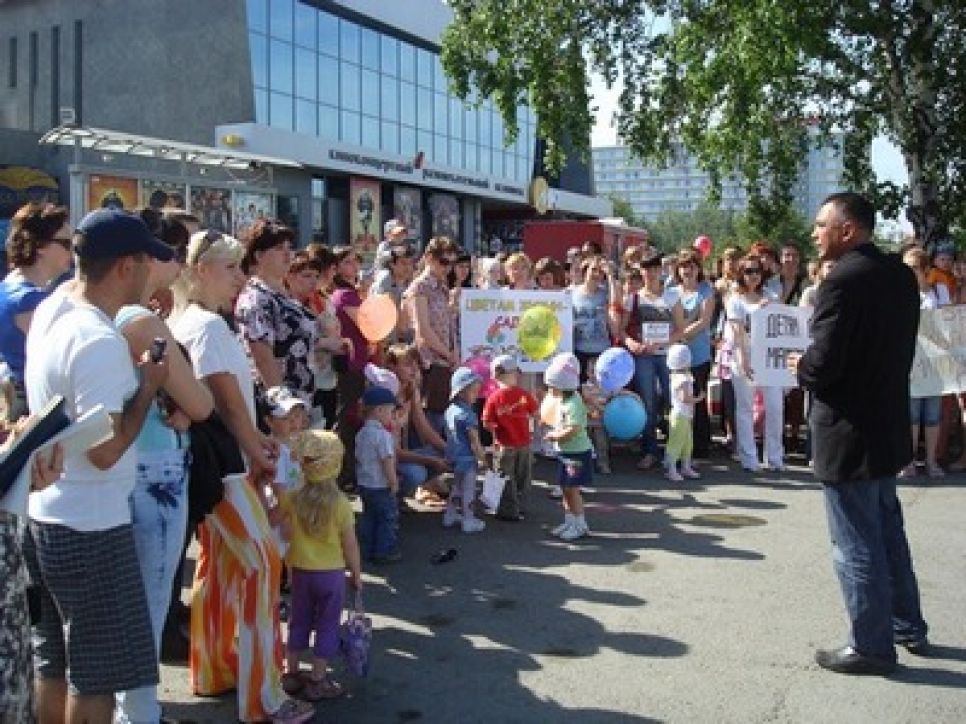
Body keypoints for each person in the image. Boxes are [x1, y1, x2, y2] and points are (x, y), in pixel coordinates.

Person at [22, 209, 173, 724]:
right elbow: (106, 451)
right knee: (98, 676)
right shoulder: (100, 340)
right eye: (149, 261)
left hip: (46, 513)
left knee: (55, 661)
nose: (154, 272)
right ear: (127, 267)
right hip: (91, 523)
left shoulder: (52, 311)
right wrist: (149, 386)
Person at [170, 230, 313, 723]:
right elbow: (229, 408)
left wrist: (256, 443)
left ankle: (211, 670)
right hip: (229, 468)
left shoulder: (190, 320)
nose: (240, 278)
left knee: (218, 569)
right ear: (200, 270)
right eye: (230, 268)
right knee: (261, 568)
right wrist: (262, 453)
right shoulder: (207, 327)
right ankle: (262, 697)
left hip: (216, 466)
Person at [792, 192, 928, 675]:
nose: (815, 233)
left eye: (822, 225)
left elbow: (825, 363)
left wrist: (801, 365)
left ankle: (871, 645)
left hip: (849, 432)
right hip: (886, 423)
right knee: (888, 531)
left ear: (847, 230)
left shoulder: (841, 282)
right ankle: (906, 624)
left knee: (855, 543)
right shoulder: (899, 274)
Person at [114, 214, 215, 724]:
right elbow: (198, 403)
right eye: (166, 253)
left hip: (121, 467)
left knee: (120, 608)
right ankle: (139, 713)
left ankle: (129, 709)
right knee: (149, 602)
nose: (173, 262)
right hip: (152, 467)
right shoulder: (141, 319)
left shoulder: (71, 311)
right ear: (136, 263)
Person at [278, 429, 361, 702]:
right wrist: (356, 573)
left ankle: (290, 673)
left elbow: (272, 518)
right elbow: (350, 544)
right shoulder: (340, 504)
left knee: (298, 620)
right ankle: (318, 678)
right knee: (327, 625)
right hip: (331, 574)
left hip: (301, 572)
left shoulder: (293, 497)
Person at [0, 203, 73, 422]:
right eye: (66, 244)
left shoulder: (8, 287)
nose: (72, 251)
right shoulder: (30, 301)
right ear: (40, 245)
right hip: (30, 405)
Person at [236, 220, 318, 406]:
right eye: (279, 248)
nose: (288, 254)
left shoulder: (281, 294)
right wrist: (284, 408)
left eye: (290, 247)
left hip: (300, 397)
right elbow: (263, 358)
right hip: (279, 406)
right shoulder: (257, 298)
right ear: (258, 255)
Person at [726, 254, 784, 472]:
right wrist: (743, 360)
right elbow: (737, 332)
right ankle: (749, 457)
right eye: (748, 271)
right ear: (741, 274)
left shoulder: (771, 295)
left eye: (757, 271)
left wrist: (772, 306)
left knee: (775, 407)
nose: (753, 275)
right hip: (746, 354)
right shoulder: (736, 300)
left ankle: (775, 457)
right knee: (745, 408)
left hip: (770, 356)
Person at [624, 254, 680, 470]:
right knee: (648, 404)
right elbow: (623, 328)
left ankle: (676, 450)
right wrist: (631, 343)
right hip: (644, 356)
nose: (651, 273)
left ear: (661, 271)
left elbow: (681, 328)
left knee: (673, 401)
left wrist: (662, 343)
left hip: (667, 355)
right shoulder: (634, 298)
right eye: (646, 269)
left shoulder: (672, 296)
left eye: (655, 269)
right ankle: (650, 451)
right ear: (642, 272)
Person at [403, 237, 459, 433]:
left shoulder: (442, 287)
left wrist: (454, 353)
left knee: (442, 418)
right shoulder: (420, 287)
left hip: (444, 361)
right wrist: (448, 353)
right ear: (429, 258)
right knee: (430, 419)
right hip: (429, 361)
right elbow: (423, 329)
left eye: (451, 263)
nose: (448, 268)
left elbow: (448, 326)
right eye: (443, 262)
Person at [898, 248, 945, 478]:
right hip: (910, 361)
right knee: (911, 414)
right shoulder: (899, 294)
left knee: (933, 415)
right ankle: (907, 461)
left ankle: (931, 461)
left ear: (925, 270)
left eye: (914, 267)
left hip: (936, 363)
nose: (909, 272)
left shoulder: (939, 292)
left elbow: (950, 321)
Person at [482, 354, 538, 521]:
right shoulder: (524, 394)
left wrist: (494, 428)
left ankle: (509, 510)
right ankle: (522, 506)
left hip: (504, 444)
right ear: (514, 374)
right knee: (523, 476)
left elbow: (486, 422)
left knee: (506, 477)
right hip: (524, 443)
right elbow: (535, 413)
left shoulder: (493, 398)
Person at [670, 249, 715, 457]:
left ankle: (700, 444)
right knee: (679, 400)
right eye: (684, 266)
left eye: (692, 266)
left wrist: (679, 335)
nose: (687, 270)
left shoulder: (705, 290)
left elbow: (704, 321)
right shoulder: (671, 290)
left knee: (696, 397)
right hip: (676, 356)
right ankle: (680, 442)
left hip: (698, 354)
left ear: (698, 269)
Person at [543, 353, 592, 541]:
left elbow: (573, 429)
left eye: (552, 386)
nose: (550, 390)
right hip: (565, 452)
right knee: (564, 488)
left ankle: (580, 524)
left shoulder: (573, 403)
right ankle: (569, 520)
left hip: (576, 453)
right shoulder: (563, 400)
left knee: (573, 489)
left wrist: (555, 435)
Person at [355, 386, 402, 563]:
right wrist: (393, 481)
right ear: (379, 410)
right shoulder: (382, 436)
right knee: (387, 517)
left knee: (369, 516)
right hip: (380, 484)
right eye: (391, 411)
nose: (392, 415)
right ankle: (384, 550)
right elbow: (387, 460)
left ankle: (366, 550)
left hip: (365, 483)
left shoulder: (361, 433)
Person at [443, 367, 488, 533]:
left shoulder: (450, 411)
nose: (477, 395)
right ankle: (469, 519)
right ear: (461, 393)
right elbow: (474, 441)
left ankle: (451, 513)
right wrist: (482, 458)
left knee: (456, 486)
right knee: (469, 489)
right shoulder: (468, 415)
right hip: (467, 459)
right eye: (474, 391)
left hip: (453, 456)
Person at [663, 343, 703, 481]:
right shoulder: (683, 379)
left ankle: (685, 467)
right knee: (677, 442)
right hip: (680, 415)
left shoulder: (677, 376)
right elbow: (684, 398)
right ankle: (672, 469)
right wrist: (698, 399)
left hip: (683, 415)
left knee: (687, 442)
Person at [580, 357, 612, 475]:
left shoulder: (607, 387)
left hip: (601, 422)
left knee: (602, 445)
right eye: (591, 371)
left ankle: (603, 464)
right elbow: (588, 398)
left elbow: (615, 395)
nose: (594, 374)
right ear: (587, 373)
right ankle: (583, 466)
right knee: (584, 445)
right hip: (587, 422)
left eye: (597, 371)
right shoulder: (585, 386)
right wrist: (601, 404)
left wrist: (633, 395)